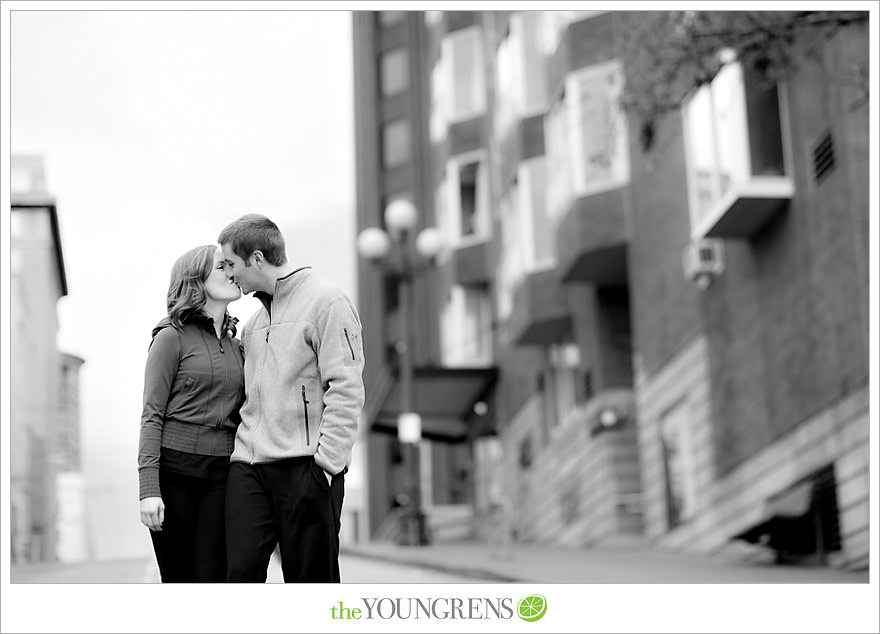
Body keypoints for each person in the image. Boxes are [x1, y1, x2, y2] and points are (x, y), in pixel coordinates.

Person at [218, 213, 365, 583]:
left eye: (232, 264)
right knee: (238, 573)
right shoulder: (253, 325)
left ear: (256, 258)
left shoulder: (327, 302)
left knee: (310, 580)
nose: (229, 274)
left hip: (306, 468)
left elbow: (346, 387)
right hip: (249, 467)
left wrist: (327, 463)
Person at [137, 244, 245, 582]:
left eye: (232, 266)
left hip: (222, 475)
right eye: (221, 267)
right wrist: (149, 489)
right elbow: (151, 414)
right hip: (174, 473)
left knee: (214, 577)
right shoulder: (171, 337)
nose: (232, 273)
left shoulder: (236, 344)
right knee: (180, 579)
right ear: (195, 280)